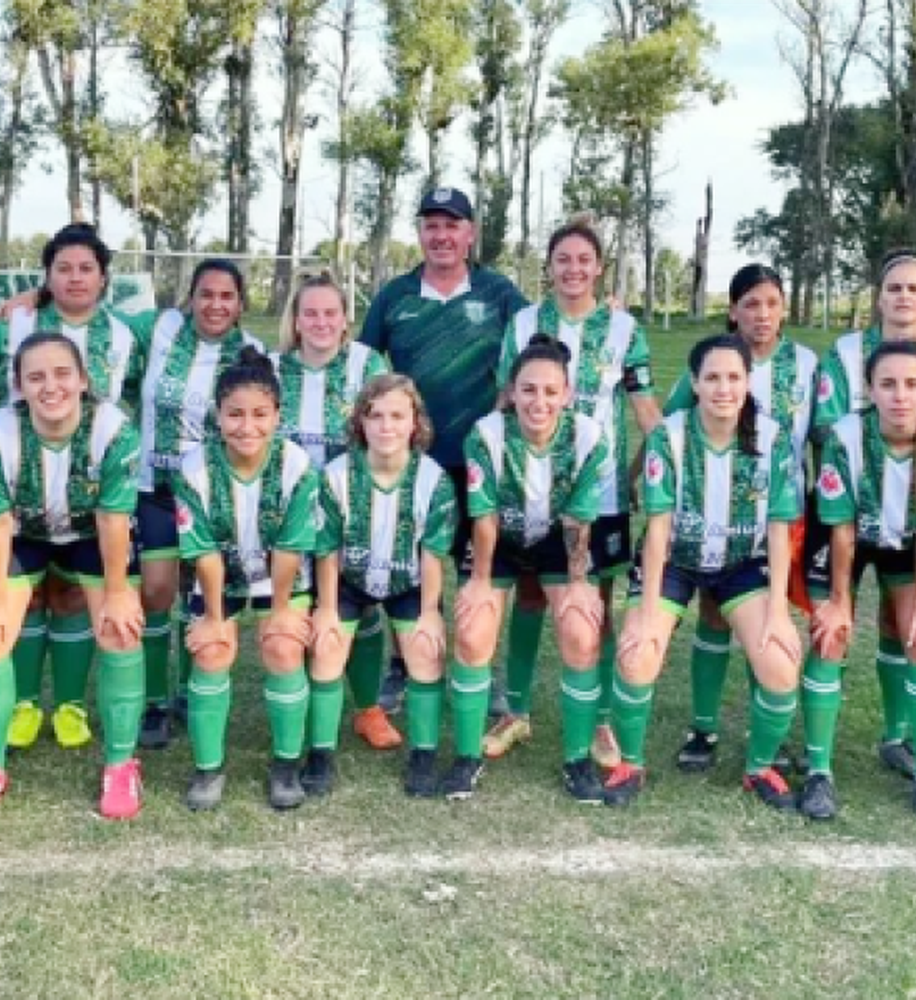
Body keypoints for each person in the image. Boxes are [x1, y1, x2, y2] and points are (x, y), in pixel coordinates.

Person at [0, 224, 151, 755]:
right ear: (47, 276)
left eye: (86, 268)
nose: (75, 277)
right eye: (63, 268)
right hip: (21, 488)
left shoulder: (129, 333)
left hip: (91, 493)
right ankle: (22, 705)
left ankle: (68, 705)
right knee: (25, 598)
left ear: (105, 277)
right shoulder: (18, 323)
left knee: (69, 597)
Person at [0, 333, 146, 823]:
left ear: (83, 380)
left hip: (92, 534)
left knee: (121, 628)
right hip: (24, 533)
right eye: (35, 376)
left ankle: (121, 764)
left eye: (61, 374)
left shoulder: (114, 430)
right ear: (19, 385)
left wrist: (118, 594)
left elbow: (113, 519)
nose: (50, 386)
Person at [485, 218, 659, 770]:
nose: (574, 268)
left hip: (599, 490)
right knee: (532, 594)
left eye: (585, 259)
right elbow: (505, 401)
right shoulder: (524, 323)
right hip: (531, 484)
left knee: (594, 605)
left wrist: (665, 460)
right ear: (550, 266)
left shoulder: (624, 330)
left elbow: (644, 406)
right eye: (564, 259)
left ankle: (602, 717)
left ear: (599, 266)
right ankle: (514, 710)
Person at [606, 335, 804, 808]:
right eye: (712, 377)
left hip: (740, 562)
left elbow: (778, 530)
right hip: (675, 560)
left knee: (779, 663)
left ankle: (758, 769)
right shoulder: (668, 437)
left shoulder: (773, 439)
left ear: (748, 381)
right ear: (694, 383)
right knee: (637, 655)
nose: (724, 388)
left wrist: (777, 612)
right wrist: (648, 614)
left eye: (734, 377)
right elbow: (657, 532)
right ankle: (629, 763)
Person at [808, 249, 916, 781]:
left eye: (914, 288)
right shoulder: (845, 353)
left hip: (914, 520)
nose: (903, 296)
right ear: (879, 296)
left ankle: (899, 740)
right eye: (894, 287)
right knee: (828, 631)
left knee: (912, 629)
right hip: (847, 514)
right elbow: (827, 429)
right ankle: (818, 766)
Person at [357, 187, 528, 719]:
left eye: (452, 225)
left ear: (470, 232)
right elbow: (362, 366)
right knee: (406, 561)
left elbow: (534, 357)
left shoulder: (499, 293)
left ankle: (482, 664)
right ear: (420, 233)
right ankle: (403, 662)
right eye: (432, 225)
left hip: (479, 462)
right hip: (411, 462)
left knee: (481, 568)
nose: (442, 235)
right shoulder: (396, 296)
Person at [661, 263, 818, 771]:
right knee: (713, 612)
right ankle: (702, 730)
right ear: (733, 311)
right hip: (710, 511)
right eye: (750, 303)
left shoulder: (807, 365)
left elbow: (822, 436)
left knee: (772, 619)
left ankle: (765, 730)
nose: (762, 313)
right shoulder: (715, 361)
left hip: (780, 513)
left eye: (771, 303)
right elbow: (670, 425)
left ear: (784, 308)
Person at [458, 335, 609, 801]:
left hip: (556, 541)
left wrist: (581, 584)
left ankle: (577, 759)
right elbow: (483, 517)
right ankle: (466, 759)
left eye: (549, 391)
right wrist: (481, 581)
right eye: (528, 390)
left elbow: (579, 519)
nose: (538, 401)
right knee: (472, 631)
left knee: (582, 632)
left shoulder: (588, 437)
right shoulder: (485, 434)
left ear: (566, 393)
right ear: (512, 392)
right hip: (498, 538)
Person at [175, 350, 322, 811]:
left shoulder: (296, 464)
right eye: (235, 414)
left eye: (260, 414)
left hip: (280, 576)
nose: (247, 426)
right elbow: (204, 552)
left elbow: (289, 548)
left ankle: (284, 766)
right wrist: (215, 618)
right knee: (213, 650)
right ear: (217, 416)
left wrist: (280, 612)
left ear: (278, 415)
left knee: (282, 646)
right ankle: (208, 769)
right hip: (218, 574)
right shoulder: (194, 468)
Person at [127, 260, 265, 751]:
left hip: (212, 494)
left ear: (240, 303)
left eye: (227, 296)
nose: (216, 305)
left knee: (199, 593)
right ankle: (154, 702)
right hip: (155, 486)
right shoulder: (161, 327)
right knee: (158, 590)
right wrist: (32, 302)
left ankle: (188, 691)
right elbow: (93, 322)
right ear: (190, 296)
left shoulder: (251, 353)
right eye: (206, 294)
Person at [308, 374, 456, 799]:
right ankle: (321, 753)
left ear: (415, 423)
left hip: (407, 581)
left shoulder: (433, 480)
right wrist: (328, 608)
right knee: (327, 646)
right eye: (376, 416)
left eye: (398, 415)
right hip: (350, 580)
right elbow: (327, 550)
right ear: (360, 423)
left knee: (426, 652)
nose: (386, 426)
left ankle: (423, 753)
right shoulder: (335, 476)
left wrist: (430, 612)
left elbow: (432, 555)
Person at [267, 272, 392, 750]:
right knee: (302, 607)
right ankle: (300, 702)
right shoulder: (274, 369)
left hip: (354, 505)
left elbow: (389, 428)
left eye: (330, 313)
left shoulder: (367, 364)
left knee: (361, 604)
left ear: (345, 321)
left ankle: (367, 708)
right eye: (310, 313)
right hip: (290, 513)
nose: (321, 322)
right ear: (296, 321)